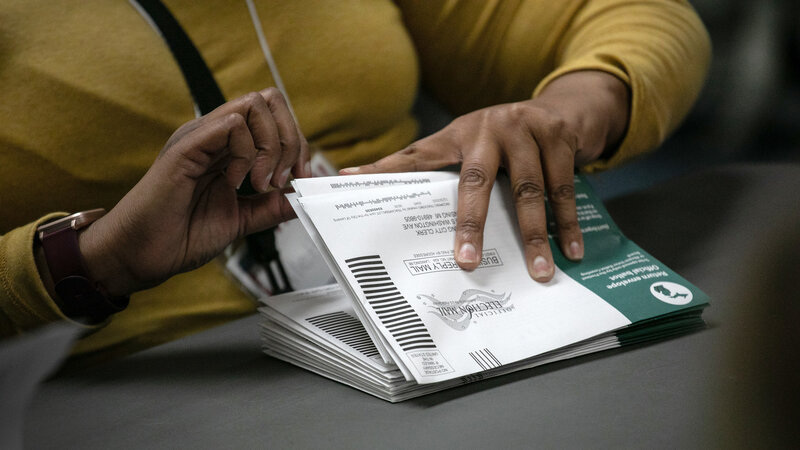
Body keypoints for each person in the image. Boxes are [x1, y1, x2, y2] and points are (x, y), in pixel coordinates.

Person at [0, 0, 711, 366]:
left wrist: (560, 114)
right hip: (147, 375)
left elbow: (635, 19)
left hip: (449, 315)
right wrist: (90, 260)